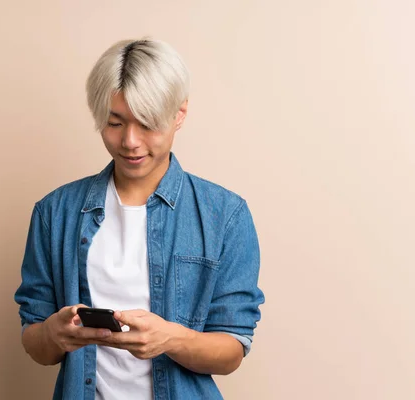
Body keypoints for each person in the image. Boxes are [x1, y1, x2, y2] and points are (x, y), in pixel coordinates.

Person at [14, 38, 265, 400]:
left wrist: (170, 338)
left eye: (147, 124)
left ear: (179, 114)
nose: (130, 141)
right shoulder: (55, 213)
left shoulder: (224, 215)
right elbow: (35, 342)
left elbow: (233, 349)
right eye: (115, 123)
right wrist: (52, 334)